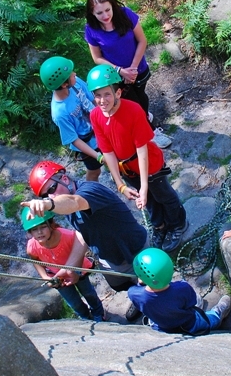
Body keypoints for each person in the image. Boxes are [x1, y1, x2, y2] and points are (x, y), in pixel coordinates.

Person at [86, 64, 188, 253]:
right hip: (127, 168)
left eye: (107, 94)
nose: (102, 100)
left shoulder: (133, 110)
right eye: (97, 95)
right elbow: (107, 152)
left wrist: (145, 186)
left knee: (163, 194)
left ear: (118, 93)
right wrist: (120, 185)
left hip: (149, 162)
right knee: (148, 201)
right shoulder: (95, 115)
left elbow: (142, 150)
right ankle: (160, 227)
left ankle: (177, 224)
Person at [21, 160, 146, 300]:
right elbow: (82, 234)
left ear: (64, 178)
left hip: (136, 250)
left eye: (51, 189)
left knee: (152, 291)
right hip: (110, 257)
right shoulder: (65, 207)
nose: (50, 196)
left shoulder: (90, 190)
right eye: (45, 196)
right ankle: (138, 299)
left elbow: (75, 202)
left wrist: (49, 204)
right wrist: (70, 267)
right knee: (120, 286)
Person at [84, 0, 170, 148]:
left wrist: (133, 68)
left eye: (107, 10)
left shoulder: (126, 14)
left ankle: (145, 116)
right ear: (92, 14)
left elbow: (142, 41)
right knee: (133, 105)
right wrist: (120, 71)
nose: (105, 16)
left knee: (141, 97)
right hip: (116, 76)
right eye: (99, 13)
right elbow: (97, 57)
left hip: (139, 69)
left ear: (113, 5)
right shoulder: (91, 29)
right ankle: (151, 133)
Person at [21, 206, 105, 322]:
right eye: (34, 229)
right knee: (73, 302)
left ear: (51, 225)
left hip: (78, 269)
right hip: (57, 277)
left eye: (43, 227)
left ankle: (98, 312)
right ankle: (85, 318)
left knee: (88, 293)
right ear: (30, 232)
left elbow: (80, 249)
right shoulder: (32, 246)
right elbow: (35, 260)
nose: (39, 232)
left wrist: (75, 271)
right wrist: (45, 277)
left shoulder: (67, 236)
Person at [127, 248, 231, 335]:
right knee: (207, 318)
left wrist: (141, 283)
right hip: (188, 323)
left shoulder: (134, 293)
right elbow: (191, 301)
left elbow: (139, 289)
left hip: (160, 325)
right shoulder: (182, 288)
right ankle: (217, 315)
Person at [39, 56, 103, 182]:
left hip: (100, 127)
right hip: (88, 143)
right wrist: (98, 156)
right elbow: (73, 139)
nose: (75, 74)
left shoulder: (75, 82)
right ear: (64, 84)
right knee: (95, 171)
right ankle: (92, 192)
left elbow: (92, 99)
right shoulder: (60, 113)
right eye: (71, 74)